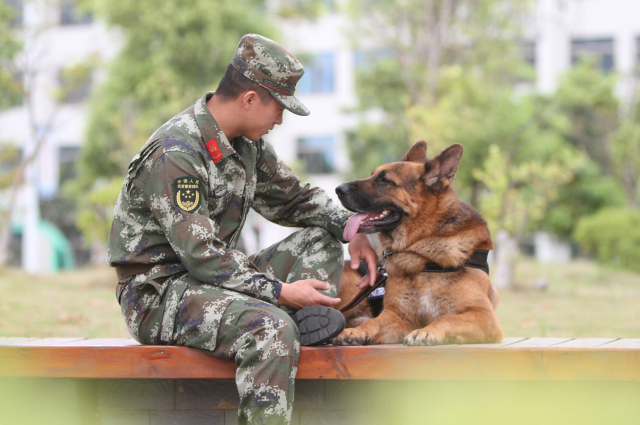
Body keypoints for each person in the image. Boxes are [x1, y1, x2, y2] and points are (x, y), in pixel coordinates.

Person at [106, 33, 377, 425]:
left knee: (321, 242)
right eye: (278, 108)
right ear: (250, 99)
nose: (280, 120)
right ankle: (283, 327)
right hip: (159, 295)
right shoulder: (177, 152)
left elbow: (294, 199)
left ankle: (292, 326)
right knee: (271, 329)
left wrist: (354, 228)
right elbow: (202, 257)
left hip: (211, 282)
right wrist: (283, 292)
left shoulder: (246, 146)